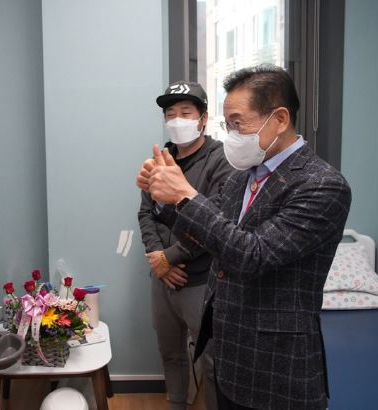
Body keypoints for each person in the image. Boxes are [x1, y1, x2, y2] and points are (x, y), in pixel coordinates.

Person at [137, 64, 351, 410]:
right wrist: (163, 199)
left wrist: (184, 196)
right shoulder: (243, 177)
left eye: (238, 124)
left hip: (276, 363)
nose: (232, 135)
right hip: (229, 351)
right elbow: (207, 232)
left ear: (279, 119)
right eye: (228, 125)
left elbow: (254, 254)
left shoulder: (322, 185)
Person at [138, 81, 236, 410]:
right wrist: (158, 260)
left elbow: (216, 219)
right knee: (170, 352)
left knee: (212, 360)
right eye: (170, 114)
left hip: (201, 279)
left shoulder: (222, 160)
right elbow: (146, 213)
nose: (177, 119)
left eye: (185, 112)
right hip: (162, 278)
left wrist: (170, 257)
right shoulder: (161, 160)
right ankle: (176, 404)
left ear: (203, 119)